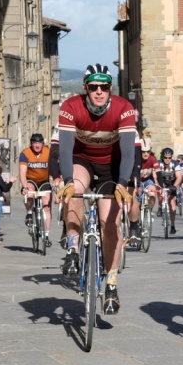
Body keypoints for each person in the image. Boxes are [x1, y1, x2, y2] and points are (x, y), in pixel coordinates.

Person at [56, 64, 137, 315]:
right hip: (82, 160)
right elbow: (66, 149)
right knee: (76, 189)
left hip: (111, 165)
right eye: (93, 87)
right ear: (85, 88)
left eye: (104, 87)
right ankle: (72, 247)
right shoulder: (70, 108)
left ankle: (111, 284)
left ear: (110, 88)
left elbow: (127, 151)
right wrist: (67, 179)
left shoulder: (124, 109)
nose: (99, 91)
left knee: (109, 223)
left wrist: (123, 183)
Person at [18, 132, 53, 247]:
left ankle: (46, 235)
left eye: (39, 143)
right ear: (31, 144)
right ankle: (29, 213)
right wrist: (24, 186)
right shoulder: (25, 153)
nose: (37, 145)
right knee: (29, 194)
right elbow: (22, 173)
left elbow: (55, 168)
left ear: (43, 144)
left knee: (46, 206)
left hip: (44, 181)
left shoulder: (48, 152)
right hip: (31, 180)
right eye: (34, 143)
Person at [154, 147, 183, 234]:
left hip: (172, 183)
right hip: (161, 181)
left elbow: (179, 177)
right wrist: (158, 185)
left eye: (169, 157)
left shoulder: (175, 164)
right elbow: (155, 176)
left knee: (172, 202)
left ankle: (173, 225)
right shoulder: (159, 163)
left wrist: (174, 186)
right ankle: (160, 207)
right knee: (159, 192)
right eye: (165, 157)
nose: (167, 159)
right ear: (162, 157)